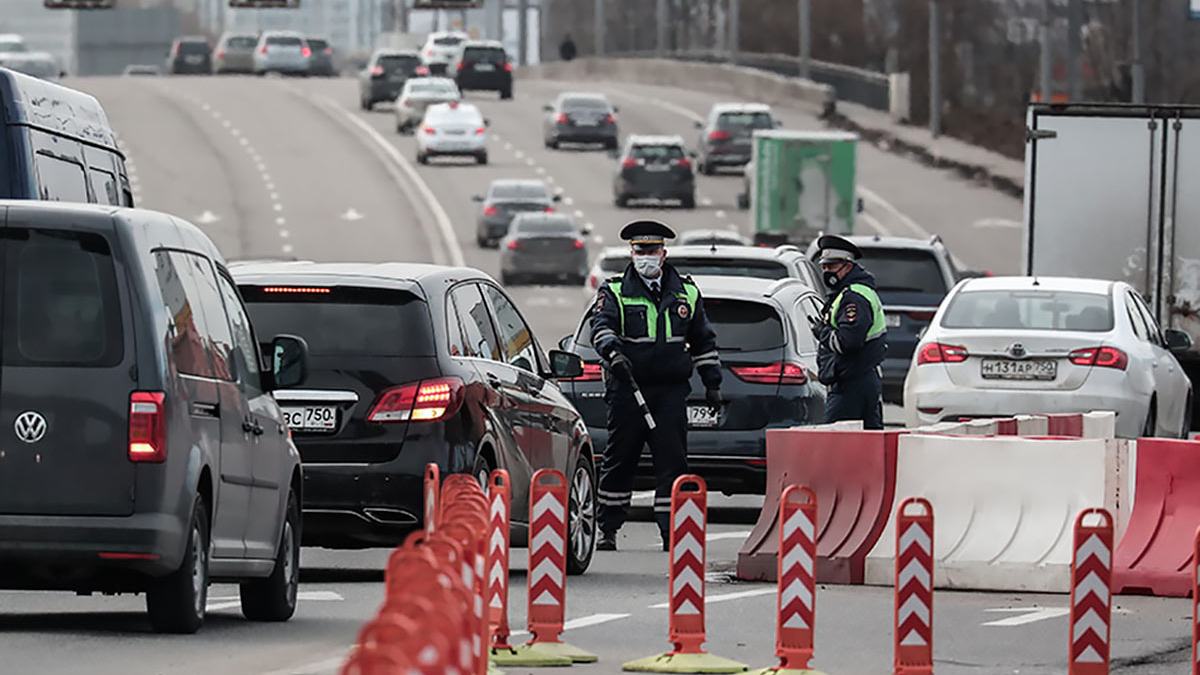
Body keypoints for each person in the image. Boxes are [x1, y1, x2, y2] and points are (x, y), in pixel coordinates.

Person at [591, 220, 722, 551]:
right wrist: (613, 354)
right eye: (640, 251)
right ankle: (607, 528)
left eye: (651, 251)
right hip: (628, 388)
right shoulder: (615, 290)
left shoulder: (687, 293)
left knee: (672, 462)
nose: (646, 256)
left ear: (663, 254)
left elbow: (703, 341)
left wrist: (712, 383)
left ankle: (671, 532)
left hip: (670, 393)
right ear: (631, 254)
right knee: (620, 458)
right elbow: (601, 327)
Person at [811, 234, 887, 429]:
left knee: (835, 443)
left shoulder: (853, 297)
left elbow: (848, 341)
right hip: (860, 377)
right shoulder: (850, 293)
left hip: (852, 381)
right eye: (825, 267)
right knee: (868, 442)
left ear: (848, 266)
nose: (827, 272)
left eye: (833, 267)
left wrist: (823, 333)